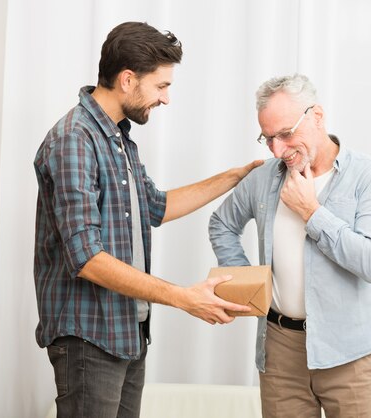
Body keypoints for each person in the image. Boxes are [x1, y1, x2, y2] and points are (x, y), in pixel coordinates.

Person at [33, 21, 262, 418]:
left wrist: (236, 175)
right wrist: (184, 297)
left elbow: (156, 206)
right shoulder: (75, 139)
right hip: (91, 338)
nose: (166, 98)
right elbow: (86, 257)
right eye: (161, 86)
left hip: (128, 332)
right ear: (127, 79)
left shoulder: (119, 139)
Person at [209, 74, 371, 418]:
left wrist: (312, 212)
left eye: (285, 134)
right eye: (268, 139)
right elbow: (222, 223)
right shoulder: (264, 177)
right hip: (280, 352)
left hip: (350, 354)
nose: (278, 150)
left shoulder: (368, 177)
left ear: (317, 117)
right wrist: (249, 283)